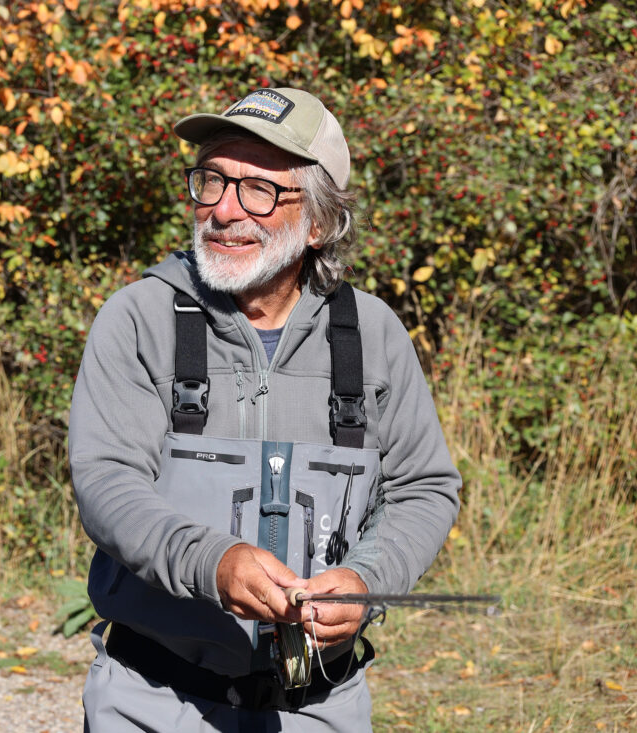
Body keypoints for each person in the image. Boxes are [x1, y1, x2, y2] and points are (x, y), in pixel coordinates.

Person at [68, 87, 461, 732]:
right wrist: (212, 562)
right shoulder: (138, 319)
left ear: (320, 223)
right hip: (151, 701)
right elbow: (107, 482)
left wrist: (365, 581)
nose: (223, 210)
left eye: (259, 190)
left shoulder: (373, 336)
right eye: (212, 180)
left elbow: (423, 489)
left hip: (320, 707)